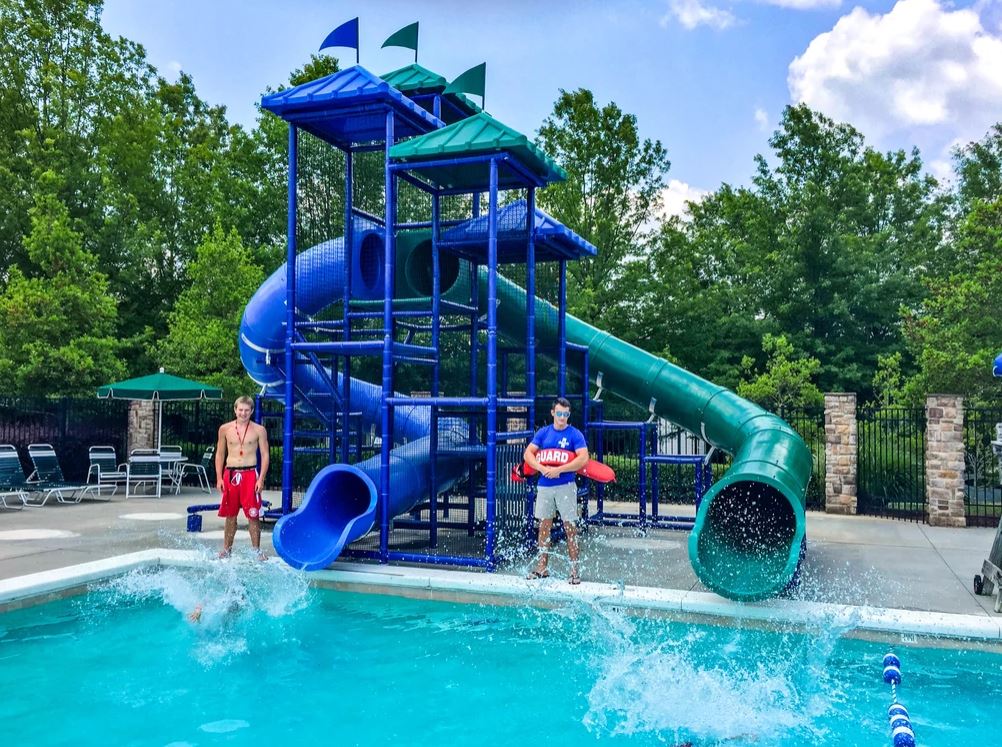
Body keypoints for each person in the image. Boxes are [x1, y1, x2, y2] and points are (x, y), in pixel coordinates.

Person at [524, 397, 590, 584]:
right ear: (553, 413)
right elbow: (528, 453)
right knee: (544, 528)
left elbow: (583, 458)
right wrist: (541, 468)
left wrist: (559, 470)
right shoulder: (543, 433)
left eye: (566, 414)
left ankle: (574, 571)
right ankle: (541, 568)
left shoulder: (575, 435)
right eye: (559, 413)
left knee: (570, 528)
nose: (562, 417)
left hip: (566, 486)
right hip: (545, 486)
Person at [215, 395, 270, 560]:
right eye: (240, 410)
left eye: (247, 410)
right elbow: (220, 454)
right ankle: (226, 549)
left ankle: (257, 551)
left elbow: (266, 455)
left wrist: (261, 479)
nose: (243, 413)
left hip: (250, 475)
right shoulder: (225, 429)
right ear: (235, 409)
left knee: (253, 515)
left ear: (252, 411)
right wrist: (219, 477)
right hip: (230, 474)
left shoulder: (259, 430)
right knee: (230, 515)